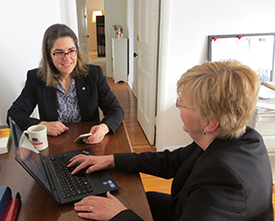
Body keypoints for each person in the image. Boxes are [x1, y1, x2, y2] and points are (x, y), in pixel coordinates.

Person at [68, 60, 274, 220]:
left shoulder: (223, 181)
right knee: (144, 200)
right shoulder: (237, 136)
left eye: (182, 104)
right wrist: (112, 160)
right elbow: (171, 161)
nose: (178, 106)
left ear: (210, 123)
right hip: (187, 207)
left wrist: (119, 215)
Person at [7, 24, 124, 144]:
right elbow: (13, 116)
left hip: (89, 142)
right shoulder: (36, 78)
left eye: (71, 51)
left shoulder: (94, 74)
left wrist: (104, 127)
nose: (67, 59)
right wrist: (42, 125)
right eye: (59, 53)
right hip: (54, 144)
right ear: (49, 56)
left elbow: (115, 110)